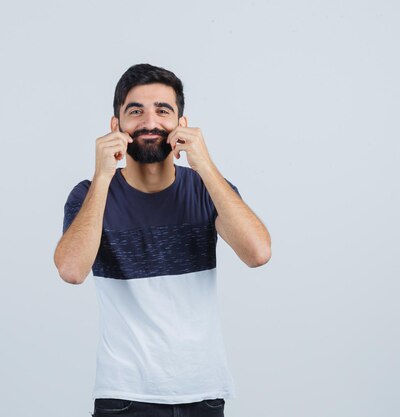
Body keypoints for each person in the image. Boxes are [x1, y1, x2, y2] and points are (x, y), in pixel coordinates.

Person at [53, 63, 271, 417]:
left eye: (163, 110)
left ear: (182, 125)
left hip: (204, 394)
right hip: (124, 396)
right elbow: (72, 270)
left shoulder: (206, 189)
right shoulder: (90, 194)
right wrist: (103, 175)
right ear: (116, 126)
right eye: (135, 111)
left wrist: (204, 165)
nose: (149, 122)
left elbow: (258, 253)